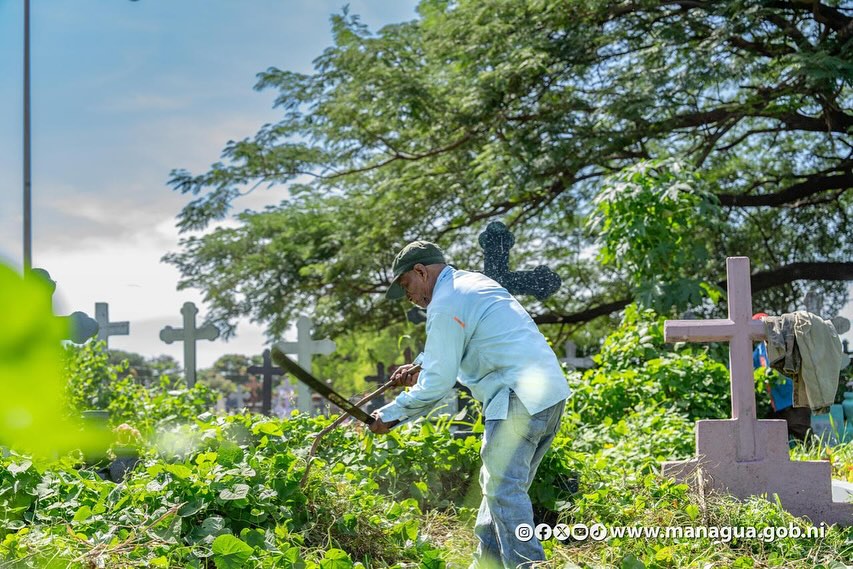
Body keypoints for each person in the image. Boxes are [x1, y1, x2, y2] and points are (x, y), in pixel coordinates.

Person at [369, 241, 571, 568]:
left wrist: (390, 415)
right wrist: (421, 364)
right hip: (548, 397)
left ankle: (529, 565)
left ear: (421, 271)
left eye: (406, 285)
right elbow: (476, 335)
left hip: (515, 398)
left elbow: (438, 382)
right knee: (500, 493)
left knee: (504, 493)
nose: (407, 296)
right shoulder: (472, 283)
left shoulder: (445, 303)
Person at [752, 312, 812, 442]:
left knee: (803, 435)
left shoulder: (785, 338)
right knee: (776, 437)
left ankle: (817, 459)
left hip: (795, 399)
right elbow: (752, 371)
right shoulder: (759, 350)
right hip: (778, 403)